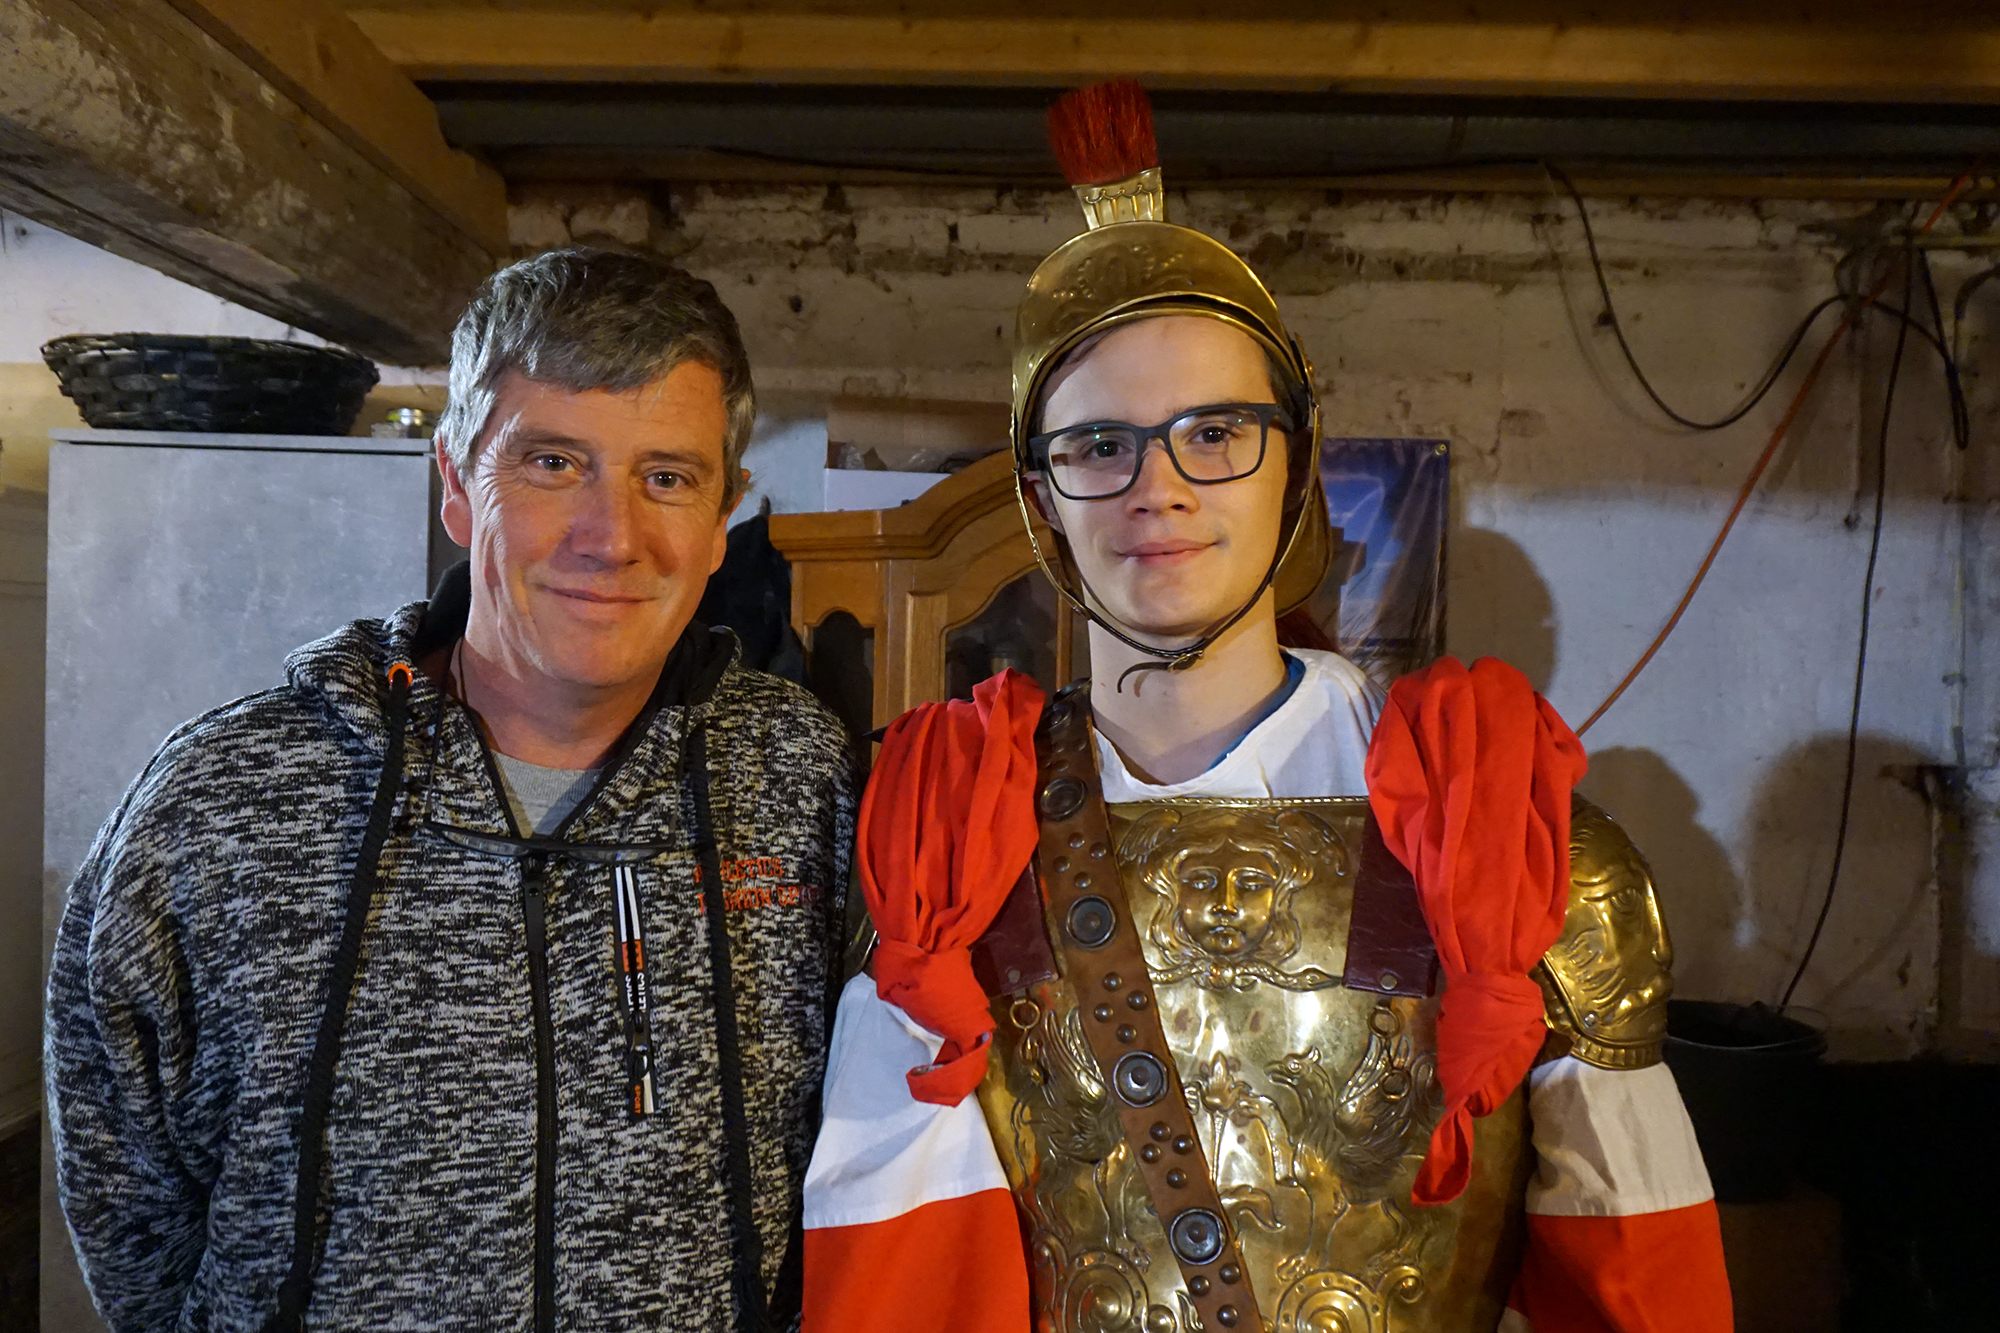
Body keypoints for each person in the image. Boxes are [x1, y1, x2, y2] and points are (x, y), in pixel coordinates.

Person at [799, 84, 1732, 1333]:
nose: (1159, 489)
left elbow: (1636, 1278)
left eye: (1215, 433)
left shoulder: (1503, 846)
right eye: (1100, 446)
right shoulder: (942, 857)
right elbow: (904, 1282)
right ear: (1042, 493)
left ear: (1293, 462)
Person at [47, 247, 855, 1333]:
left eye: (665, 475)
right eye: (552, 463)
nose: (610, 535)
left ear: (723, 519)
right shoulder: (219, 802)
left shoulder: (804, 782)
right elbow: (128, 1205)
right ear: (457, 485)